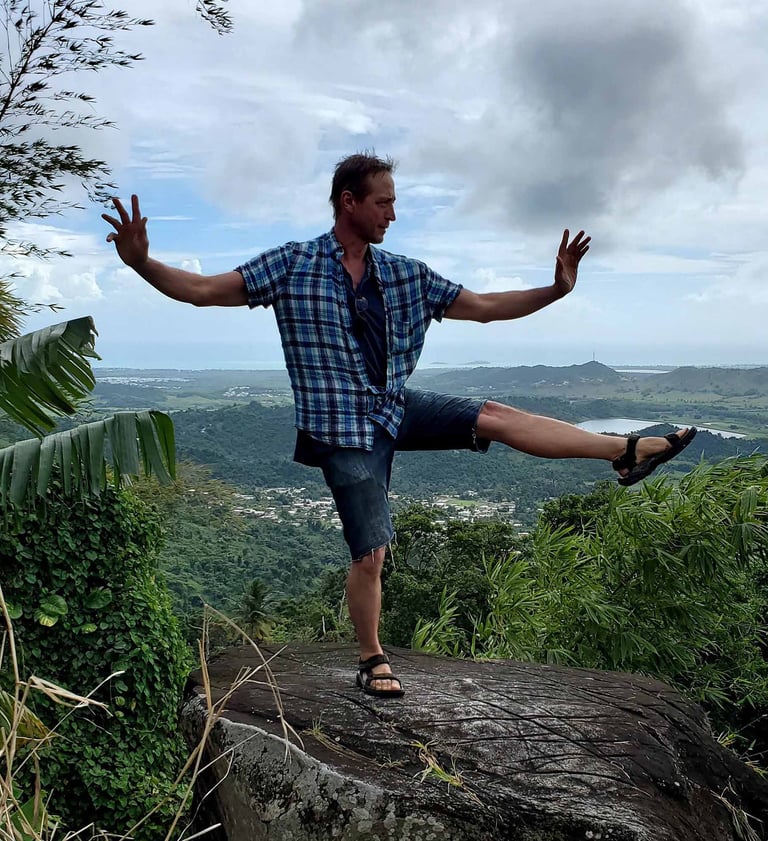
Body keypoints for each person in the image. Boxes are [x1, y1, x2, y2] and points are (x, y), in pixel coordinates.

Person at [103, 152, 696, 699]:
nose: (393, 212)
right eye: (383, 201)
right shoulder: (291, 265)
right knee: (371, 554)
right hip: (341, 429)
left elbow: (485, 306)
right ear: (348, 202)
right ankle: (371, 658)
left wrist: (557, 290)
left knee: (496, 417)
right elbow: (205, 290)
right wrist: (142, 264)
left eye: (393, 200)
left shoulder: (405, 275)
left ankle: (624, 450)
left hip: (391, 404)